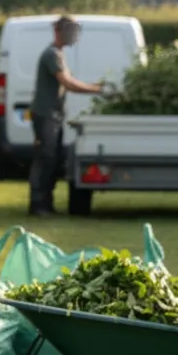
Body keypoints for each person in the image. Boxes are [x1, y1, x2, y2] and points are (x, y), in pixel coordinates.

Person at [28, 15, 106, 216]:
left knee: (53, 159)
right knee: (45, 158)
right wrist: (95, 89)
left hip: (53, 115)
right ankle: (39, 204)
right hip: (45, 115)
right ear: (58, 31)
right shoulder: (51, 54)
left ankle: (46, 204)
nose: (73, 35)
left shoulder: (58, 54)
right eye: (69, 30)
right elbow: (68, 83)